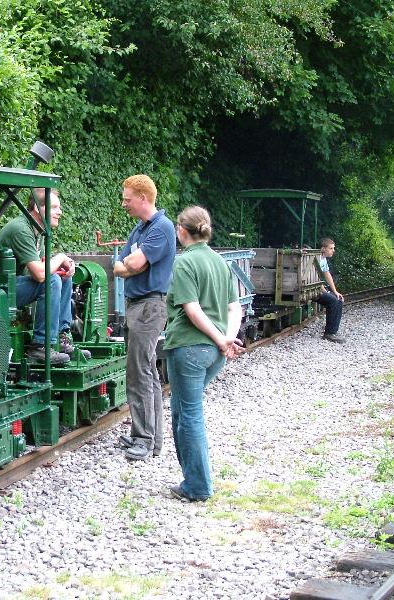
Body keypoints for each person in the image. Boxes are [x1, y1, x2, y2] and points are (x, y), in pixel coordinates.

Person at [164, 205, 243, 502]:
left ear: (182, 231)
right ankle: (192, 480)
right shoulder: (220, 263)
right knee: (184, 412)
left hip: (189, 348)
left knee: (190, 415)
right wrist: (227, 339)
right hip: (214, 353)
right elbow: (235, 307)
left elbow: (192, 309)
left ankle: (197, 486)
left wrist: (221, 338)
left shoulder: (184, 263)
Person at [114, 175, 176, 461]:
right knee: (147, 372)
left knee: (139, 373)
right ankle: (152, 440)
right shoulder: (140, 229)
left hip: (150, 307)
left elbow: (134, 263)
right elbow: (120, 266)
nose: (124, 203)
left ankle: (144, 439)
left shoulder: (162, 229)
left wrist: (133, 263)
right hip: (137, 306)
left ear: (143, 198)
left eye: (127, 198)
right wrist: (131, 263)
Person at [0, 188, 87, 364]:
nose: (60, 212)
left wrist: (62, 266)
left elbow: (40, 267)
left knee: (63, 277)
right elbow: (40, 274)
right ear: (37, 208)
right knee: (51, 280)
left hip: (14, 286)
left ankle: (61, 337)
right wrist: (61, 257)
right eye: (55, 207)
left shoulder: (39, 231)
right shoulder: (21, 229)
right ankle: (40, 346)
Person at [315, 238, 345, 343]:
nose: (333, 250)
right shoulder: (317, 259)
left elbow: (327, 274)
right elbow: (315, 278)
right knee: (333, 301)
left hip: (319, 288)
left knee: (339, 299)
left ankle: (333, 331)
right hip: (314, 290)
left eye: (333, 248)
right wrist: (325, 291)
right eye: (331, 248)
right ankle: (329, 333)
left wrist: (335, 292)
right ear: (323, 249)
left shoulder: (323, 259)